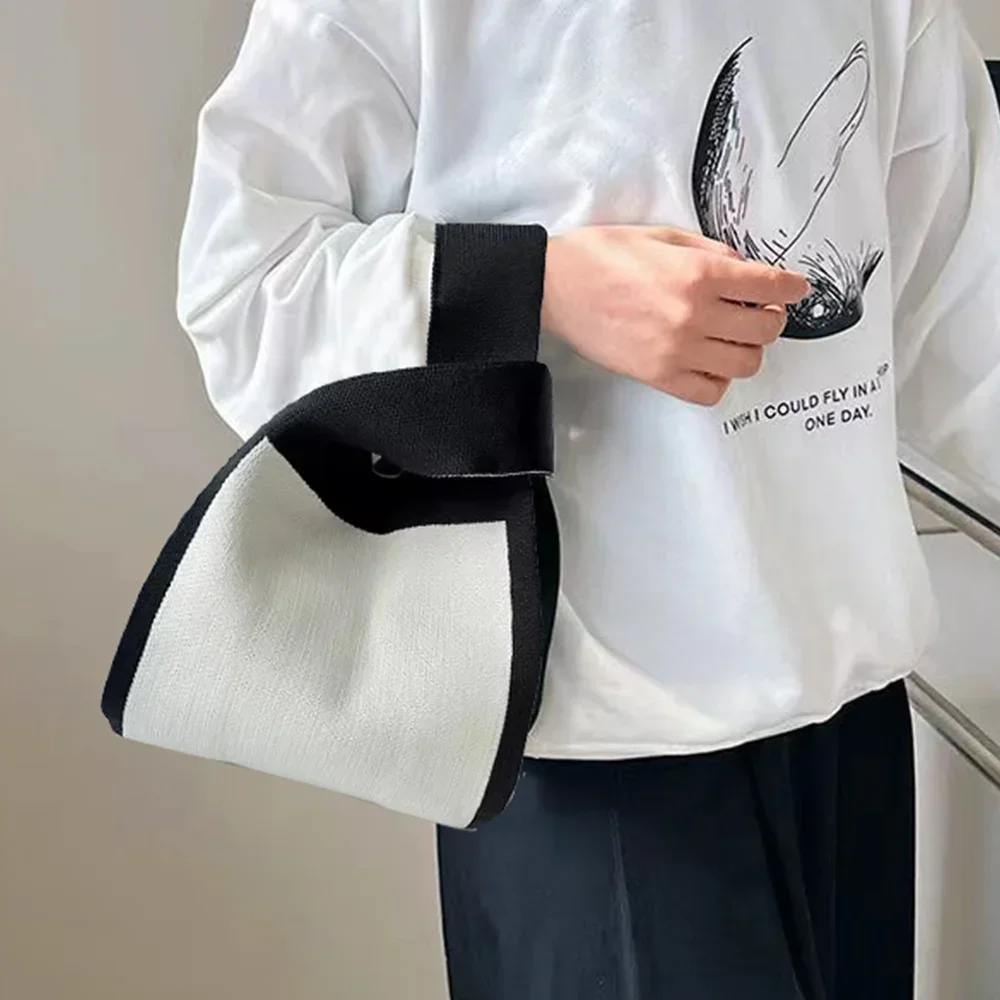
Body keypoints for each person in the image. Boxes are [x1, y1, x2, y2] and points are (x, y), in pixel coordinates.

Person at [175, 0, 1000, 996]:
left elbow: (965, 326)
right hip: (597, 749)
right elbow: (248, 291)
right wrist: (540, 288)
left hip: (851, 708)